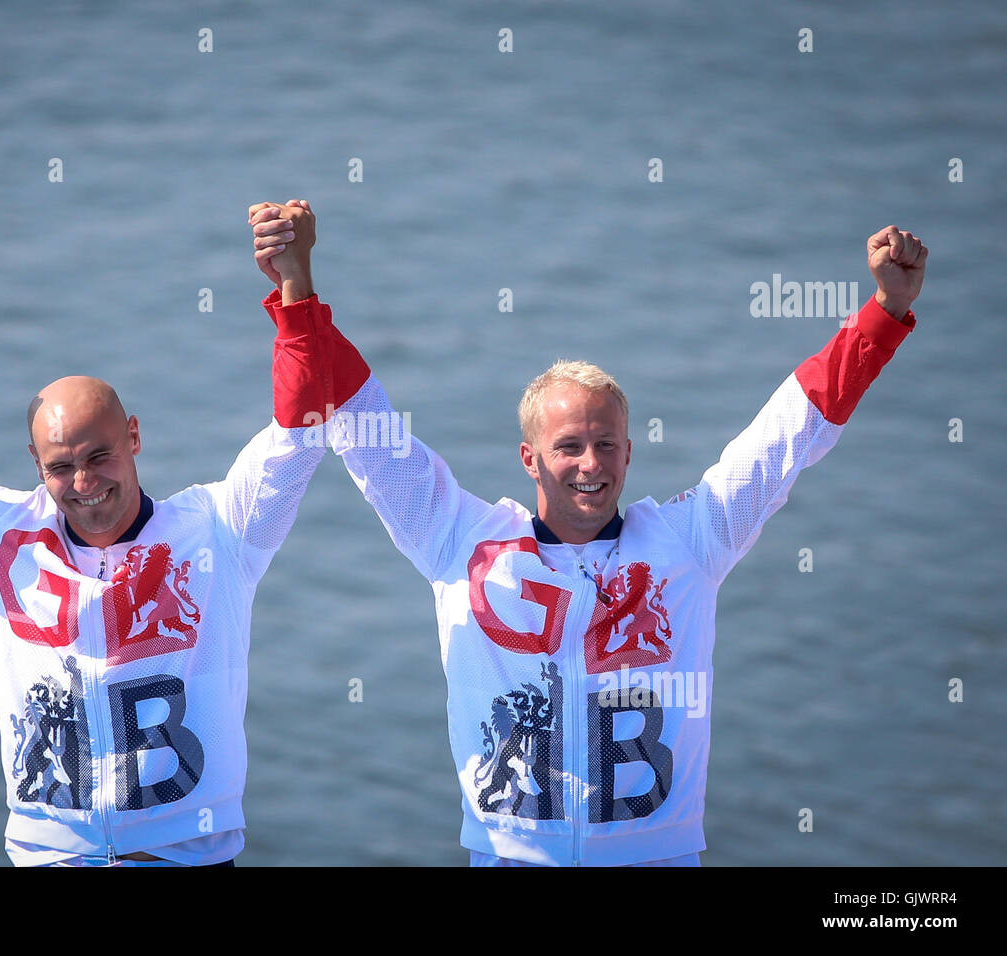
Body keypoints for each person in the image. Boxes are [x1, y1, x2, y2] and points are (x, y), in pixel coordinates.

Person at [254, 208, 926, 866]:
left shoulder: (690, 542)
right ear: (530, 458)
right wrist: (297, 284)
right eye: (569, 446)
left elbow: (792, 428)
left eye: (606, 444)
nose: (590, 464)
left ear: (630, 453)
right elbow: (357, 414)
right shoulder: (460, 541)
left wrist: (884, 312)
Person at [0, 202, 364, 865]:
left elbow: (301, 427)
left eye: (99, 456)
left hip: (188, 853)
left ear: (133, 436)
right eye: (61, 466)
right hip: (52, 855)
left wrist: (294, 282)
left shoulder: (219, 531)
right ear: (35, 465)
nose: (84, 483)